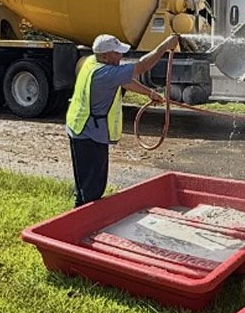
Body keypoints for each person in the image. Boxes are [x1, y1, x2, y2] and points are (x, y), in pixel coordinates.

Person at [66, 33, 178, 207]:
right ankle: (85, 219)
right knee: (92, 190)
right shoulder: (104, 73)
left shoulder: (92, 62)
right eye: (117, 53)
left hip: (81, 128)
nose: (121, 56)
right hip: (89, 134)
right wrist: (164, 46)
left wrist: (149, 93)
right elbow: (142, 66)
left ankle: (80, 213)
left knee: (84, 184)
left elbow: (124, 81)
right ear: (105, 56)